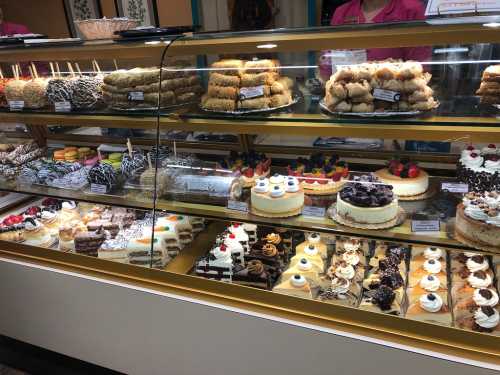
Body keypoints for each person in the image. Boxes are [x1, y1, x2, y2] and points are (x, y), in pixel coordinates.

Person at [320, 0, 431, 79]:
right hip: (349, 98)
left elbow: (419, 69)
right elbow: (328, 66)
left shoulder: (411, 9)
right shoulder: (342, 12)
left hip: (396, 101)